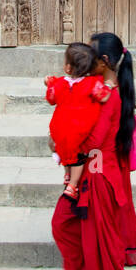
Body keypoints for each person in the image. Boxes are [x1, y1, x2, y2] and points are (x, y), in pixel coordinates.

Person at [47, 31, 136, 270]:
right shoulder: (95, 87)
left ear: (103, 61)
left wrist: (62, 143)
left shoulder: (109, 96)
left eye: (92, 55)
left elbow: (94, 140)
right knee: (64, 224)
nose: (87, 59)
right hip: (88, 169)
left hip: (99, 174)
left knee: (103, 238)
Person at [45, 43, 112, 201]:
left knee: (64, 149)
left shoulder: (60, 83)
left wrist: (49, 85)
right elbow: (104, 96)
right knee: (77, 158)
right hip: (79, 129)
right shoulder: (92, 84)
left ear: (68, 68)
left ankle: (67, 175)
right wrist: (108, 85)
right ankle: (73, 185)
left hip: (59, 127)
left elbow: (51, 99)